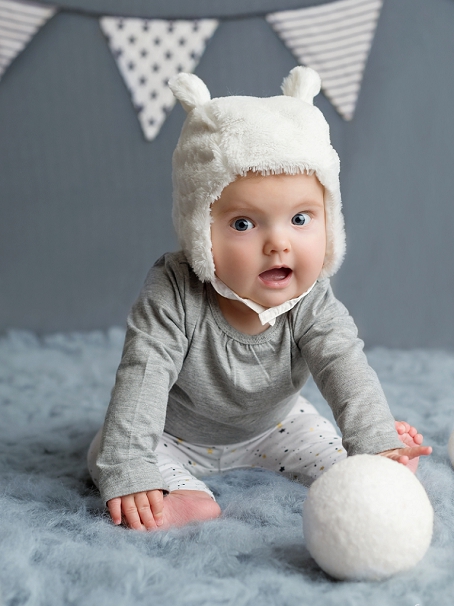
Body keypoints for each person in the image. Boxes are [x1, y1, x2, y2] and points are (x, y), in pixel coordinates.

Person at [87, 66, 432, 532]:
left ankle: (377, 460)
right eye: (244, 224)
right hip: (173, 435)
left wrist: (374, 439)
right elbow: (144, 373)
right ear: (199, 231)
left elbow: (343, 364)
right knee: (137, 470)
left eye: (301, 219)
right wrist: (127, 464)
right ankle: (172, 485)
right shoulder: (175, 290)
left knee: (353, 477)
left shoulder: (312, 300)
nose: (279, 244)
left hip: (277, 427)